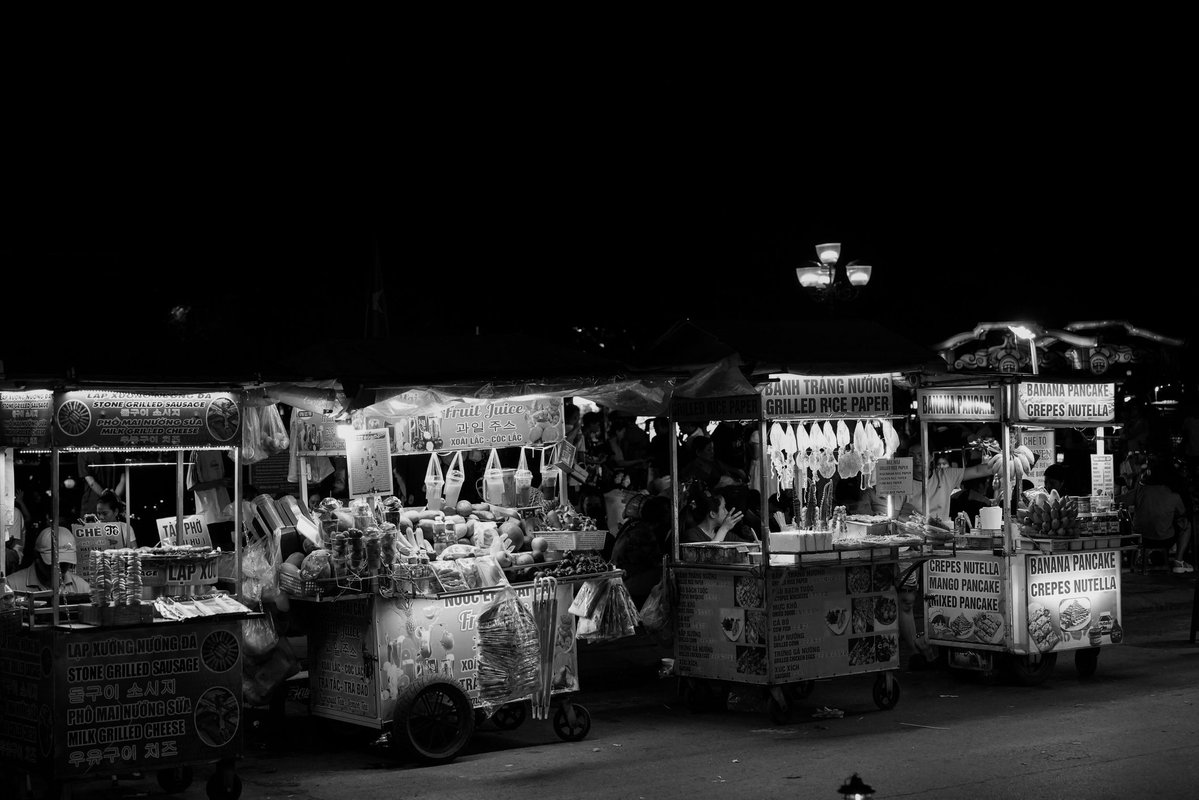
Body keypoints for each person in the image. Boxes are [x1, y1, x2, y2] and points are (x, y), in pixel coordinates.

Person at [1118, 455, 1194, 573]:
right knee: (1186, 525)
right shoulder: (1174, 495)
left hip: (1140, 538)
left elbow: (1119, 500)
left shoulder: (1141, 490)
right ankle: (1178, 562)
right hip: (1164, 539)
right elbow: (1182, 515)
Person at [609, 494, 672, 607]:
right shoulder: (643, 533)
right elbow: (656, 561)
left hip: (622, 579)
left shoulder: (634, 526)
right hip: (625, 582)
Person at [6, 526, 91, 594]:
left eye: (64, 564)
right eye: (52, 564)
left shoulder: (82, 588)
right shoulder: (11, 586)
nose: (58, 569)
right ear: (37, 557)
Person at [679, 483, 757, 544]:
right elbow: (708, 557)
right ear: (712, 514)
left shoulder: (727, 536)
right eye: (723, 508)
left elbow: (747, 546)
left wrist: (757, 544)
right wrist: (724, 529)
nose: (727, 512)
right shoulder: (693, 535)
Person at [678, 435, 743, 490]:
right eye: (709, 450)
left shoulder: (712, 462)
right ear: (698, 452)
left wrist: (737, 471)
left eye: (713, 449)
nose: (712, 452)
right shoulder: (695, 467)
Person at [77, 452, 126, 521]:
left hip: (92, 504)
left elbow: (91, 482)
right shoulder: (118, 453)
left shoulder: (84, 454)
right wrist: (114, 498)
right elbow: (123, 480)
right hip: (114, 505)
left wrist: (106, 496)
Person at [188, 449, 233, 524]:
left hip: (225, 511)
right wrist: (219, 482)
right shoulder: (197, 452)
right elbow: (192, 485)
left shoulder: (221, 451)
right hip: (208, 515)